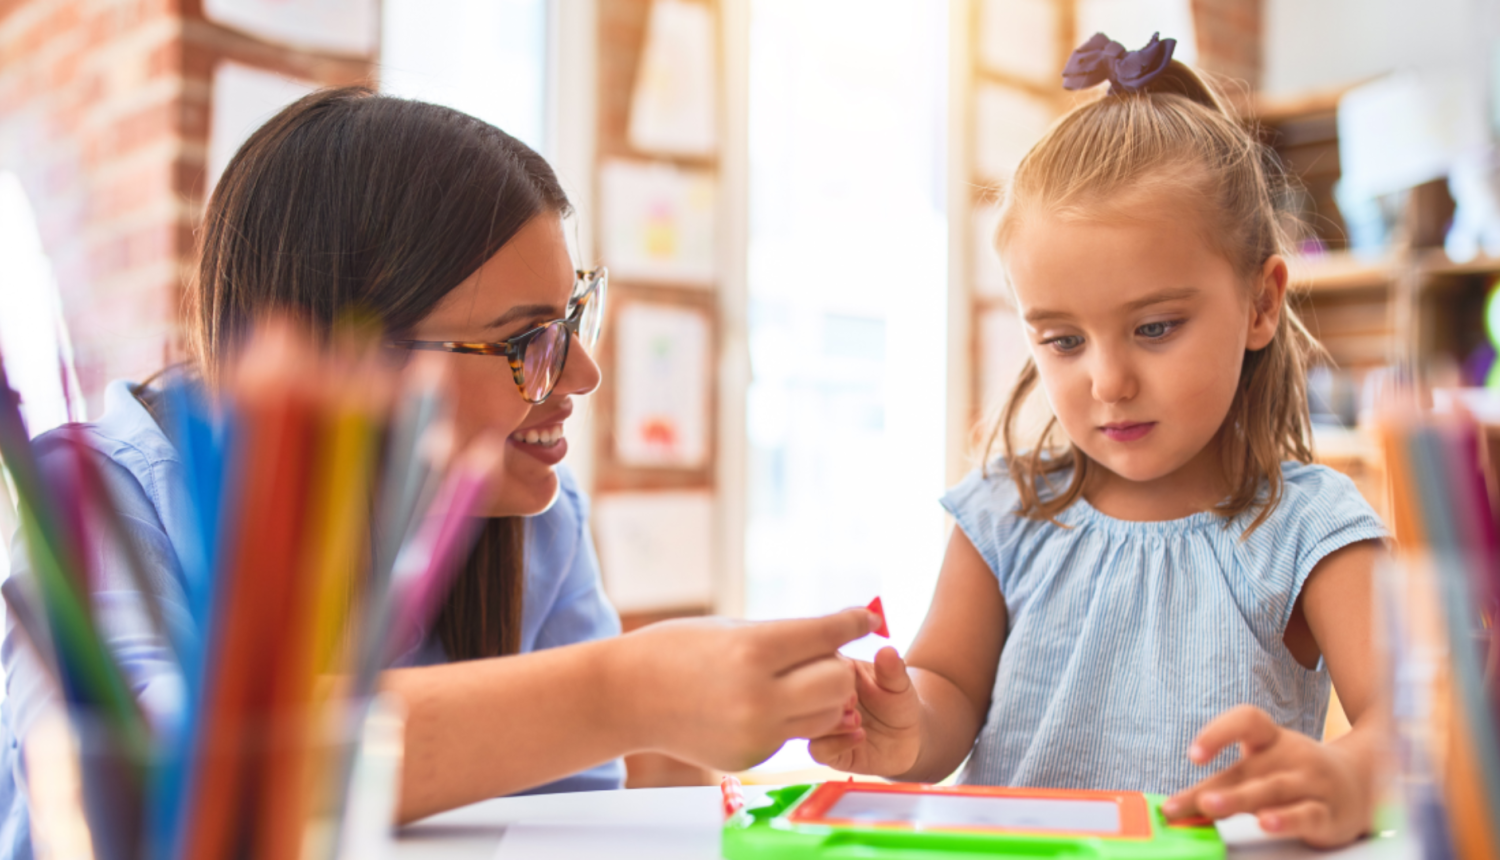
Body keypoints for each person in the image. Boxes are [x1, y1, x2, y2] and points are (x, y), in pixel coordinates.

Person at [0, 87, 877, 857]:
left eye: (576, 316)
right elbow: (150, 790)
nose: (581, 375)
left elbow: (559, 825)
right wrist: (623, 691)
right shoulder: (98, 494)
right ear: (344, 356)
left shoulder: (540, 517)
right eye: (526, 342)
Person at [808, 35, 1389, 849]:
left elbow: (1416, 727)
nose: (1108, 381)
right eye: (1063, 340)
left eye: (1155, 327)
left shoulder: (1310, 528)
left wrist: (1351, 776)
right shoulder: (1004, 514)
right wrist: (902, 729)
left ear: (1261, 304)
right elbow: (945, 690)